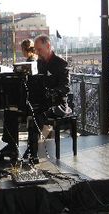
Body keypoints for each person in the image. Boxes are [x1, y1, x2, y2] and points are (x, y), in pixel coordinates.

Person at [28, 34, 71, 164]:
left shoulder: (61, 63)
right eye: (36, 50)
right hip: (43, 102)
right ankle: (15, 148)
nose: (37, 53)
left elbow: (66, 87)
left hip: (58, 103)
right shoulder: (38, 63)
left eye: (39, 49)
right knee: (19, 111)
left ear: (48, 46)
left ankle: (33, 152)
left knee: (38, 116)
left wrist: (52, 92)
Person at [0, 39, 37, 161]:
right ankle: (11, 145)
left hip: (29, 102)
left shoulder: (30, 63)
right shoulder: (34, 61)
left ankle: (12, 146)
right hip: (31, 99)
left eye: (22, 50)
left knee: (10, 113)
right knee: (10, 112)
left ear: (25, 50)